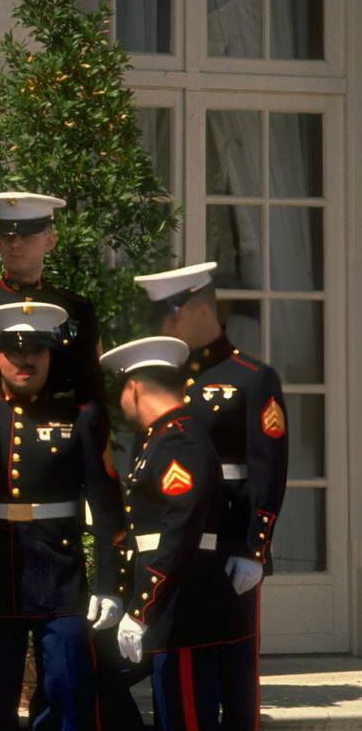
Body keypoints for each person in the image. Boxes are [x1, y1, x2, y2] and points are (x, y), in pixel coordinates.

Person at [135, 261, 288, 728]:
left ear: (200, 309)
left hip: (229, 549)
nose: (163, 326)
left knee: (236, 677)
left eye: (170, 315)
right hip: (179, 550)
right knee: (181, 672)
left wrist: (254, 549)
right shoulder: (166, 379)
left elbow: (269, 467)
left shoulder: (250, 377)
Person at [0, 302, 124, 730]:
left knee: (69, 693)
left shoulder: (80, 419)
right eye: (15, 353)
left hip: (60, 580)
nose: (26, 360)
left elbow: (107, 505)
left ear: (51, 356)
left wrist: (110, 584)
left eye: (37, 351)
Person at [101, 337, 245, 731]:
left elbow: (180, 529)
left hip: (183, 604)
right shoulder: (161, 438)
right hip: (170, 600)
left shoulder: (179, 439)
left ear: (133, 388)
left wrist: (142, 607)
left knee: (185, 717)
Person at [0, 193, 101, 405]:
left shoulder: (75, 308)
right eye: (7, 237)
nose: (15, 244)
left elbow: (93, 388)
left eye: (27, 237)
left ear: (49, 241)